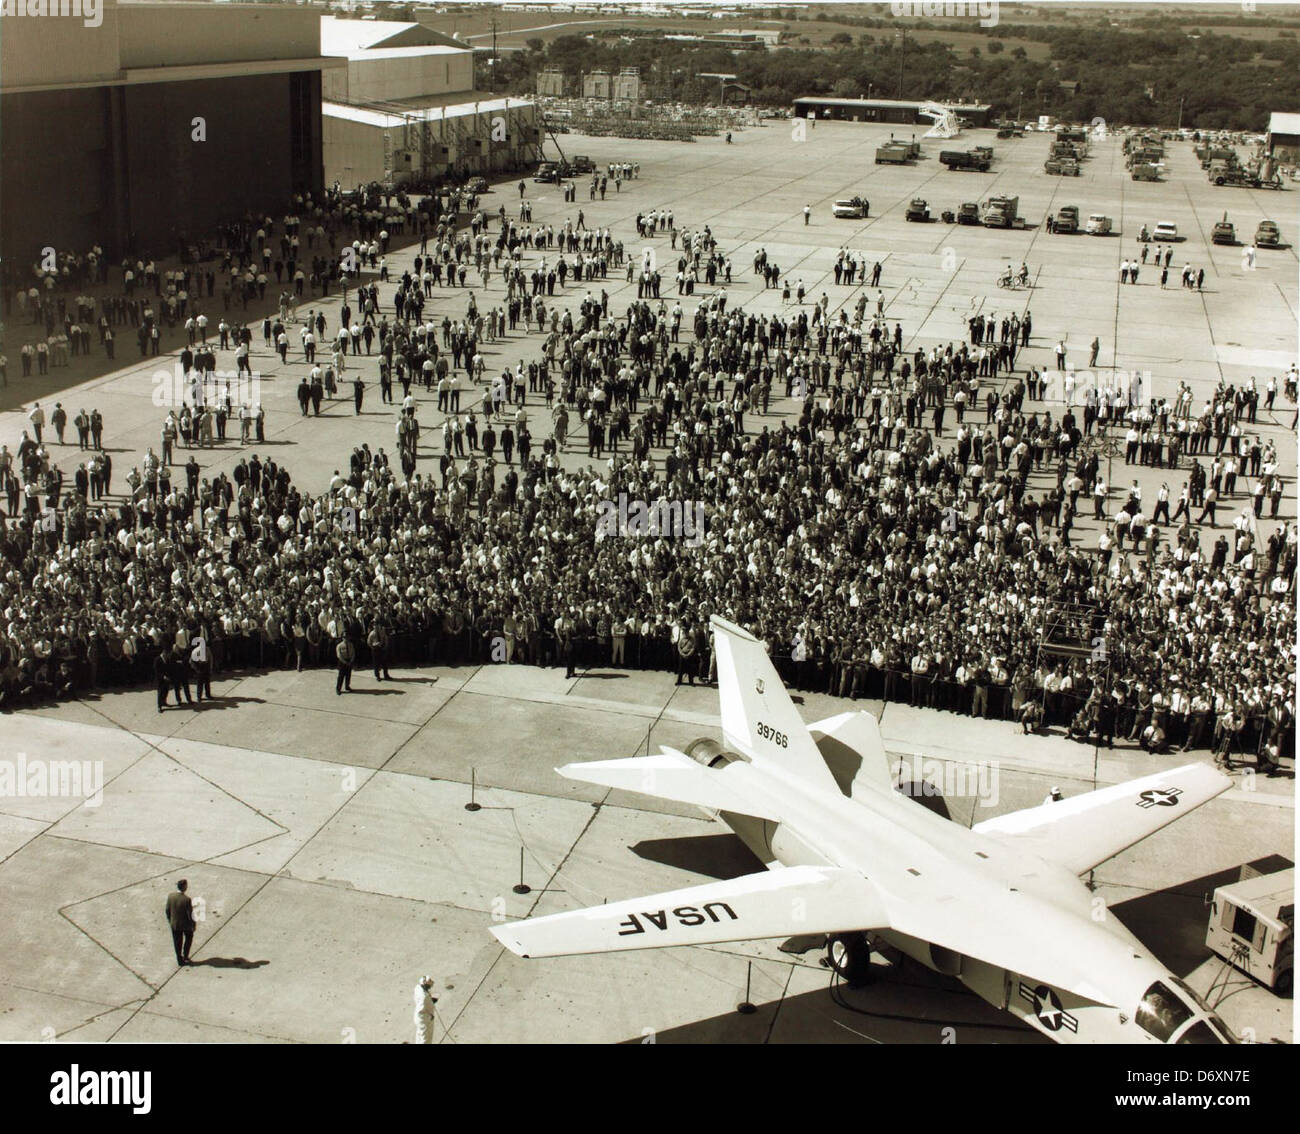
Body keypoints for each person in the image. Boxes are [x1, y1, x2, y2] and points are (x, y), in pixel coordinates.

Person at [165, 879, 195, 967]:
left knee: (177, 942)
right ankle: (185, 955)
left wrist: (170, 920)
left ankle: (179, 959)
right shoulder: (187, 899)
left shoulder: (170, 896)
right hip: (185, 925)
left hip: (174, 924)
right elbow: (190, 915)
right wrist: (193, 925)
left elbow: (167, 910)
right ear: (184, 887)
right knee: (189, 938)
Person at [414, 976, 438, 1044]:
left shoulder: (417, 988)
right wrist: (430, 1017)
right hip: (424, 1021)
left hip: (418, 1019)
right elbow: (421, 1010)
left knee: (419, 1036)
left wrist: (430, 1000)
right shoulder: (424, 997)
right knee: (426, 1039)